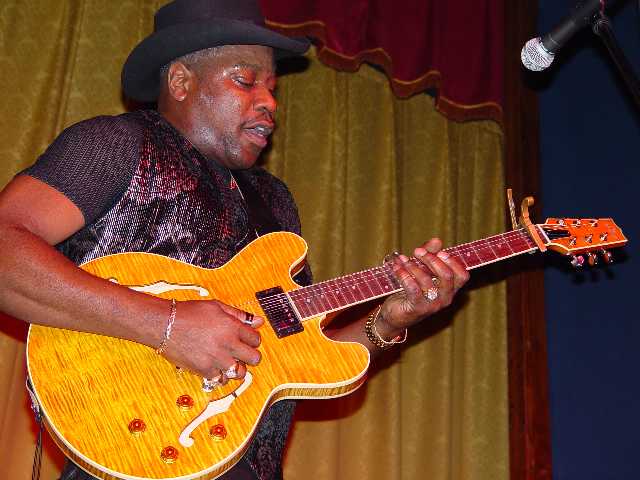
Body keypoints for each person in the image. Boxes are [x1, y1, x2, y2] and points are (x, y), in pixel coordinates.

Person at [0, 0, 469, 479]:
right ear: (180, 82)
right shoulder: (119, 143)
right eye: (245, 81)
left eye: (272, 88)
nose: (270, 103)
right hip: (133, 446)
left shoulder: (274, 202)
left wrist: (387, 321)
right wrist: (168, 325)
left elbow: (298, 354)